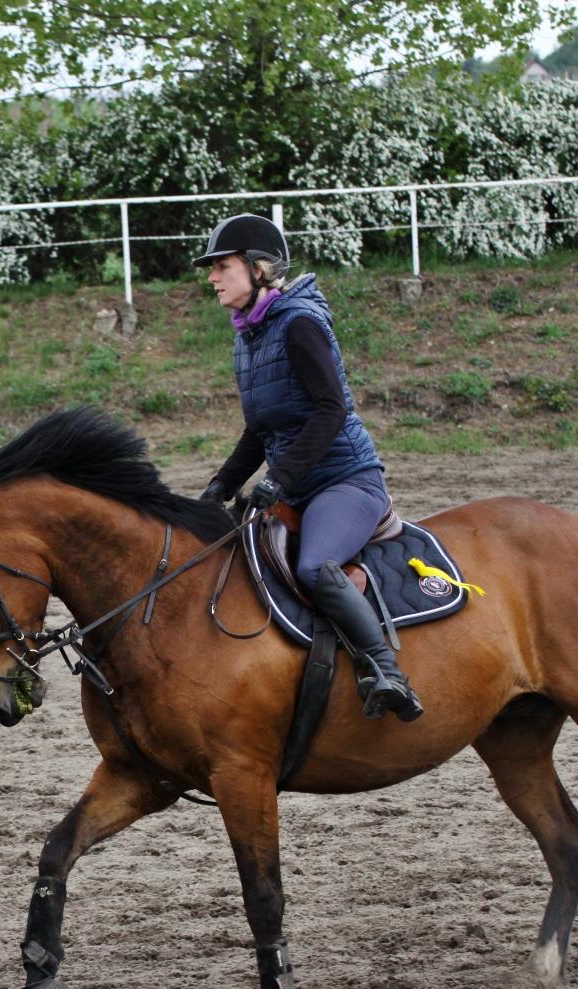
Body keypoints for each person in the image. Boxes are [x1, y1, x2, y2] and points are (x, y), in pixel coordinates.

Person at [193, 213, 423, 723]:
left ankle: (387, 671)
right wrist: (220, 485)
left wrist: (279, 478)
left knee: (315, 568)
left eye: (222, 266)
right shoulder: (248, 339)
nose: (212, 277)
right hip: (298, 487)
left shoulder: (299, 324)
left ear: (258, 268)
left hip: (346, 480)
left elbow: (331, 410)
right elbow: (260, 430)